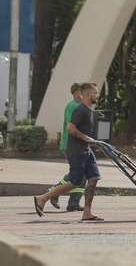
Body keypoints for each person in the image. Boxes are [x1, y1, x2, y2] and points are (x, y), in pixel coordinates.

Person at [33, 82, 104, 221]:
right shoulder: (81, 110)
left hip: (86, 151)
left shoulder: (88, 110)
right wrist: (87, 138)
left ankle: (87, 213)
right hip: (76, 151)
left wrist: (93, 142)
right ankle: (42, 198)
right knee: (74, 182)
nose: (97, 95)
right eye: (95, 93)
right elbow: (70, 128)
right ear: (88, 94)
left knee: (94, 178)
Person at [47, 82, 86, 212]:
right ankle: (54, 192)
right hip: (70, 145)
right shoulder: (73, 106)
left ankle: (73, 203)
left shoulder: (80, 106)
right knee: (77, 173)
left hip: (77, 146)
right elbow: (72, 127)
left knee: (81, 173)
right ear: (77, 93)